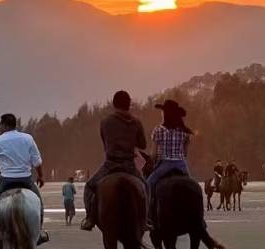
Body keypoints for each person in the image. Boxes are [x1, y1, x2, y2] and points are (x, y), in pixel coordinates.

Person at [0, 114, 49, 247]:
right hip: (26, 179)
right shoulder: (28, 138)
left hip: (6, 180)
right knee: (38, 202)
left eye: (0, 125)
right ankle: (40, 231)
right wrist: (40, 176)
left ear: (3, 125)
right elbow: (37, 161)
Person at [79, 90, 147, 231]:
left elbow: (105, 143)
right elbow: (143, 145)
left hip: (110, 164)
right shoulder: (136, 122)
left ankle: (90, 218)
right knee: (147, 187)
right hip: (129, 166)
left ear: (114, 104)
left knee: (89, 187)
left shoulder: (105, 122)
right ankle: (146, 219)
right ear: (129, 104)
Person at [145, 99, 194, 226]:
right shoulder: (184, 131)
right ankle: (199, 221)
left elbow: (154, 154)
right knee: (193, 189)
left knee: (148, 185)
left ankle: (147, 217)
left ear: (165, 114)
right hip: (181, 165)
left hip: (164, 164)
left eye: (162, 111)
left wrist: (152, 161)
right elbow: (185, 154)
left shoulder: (158, 130)